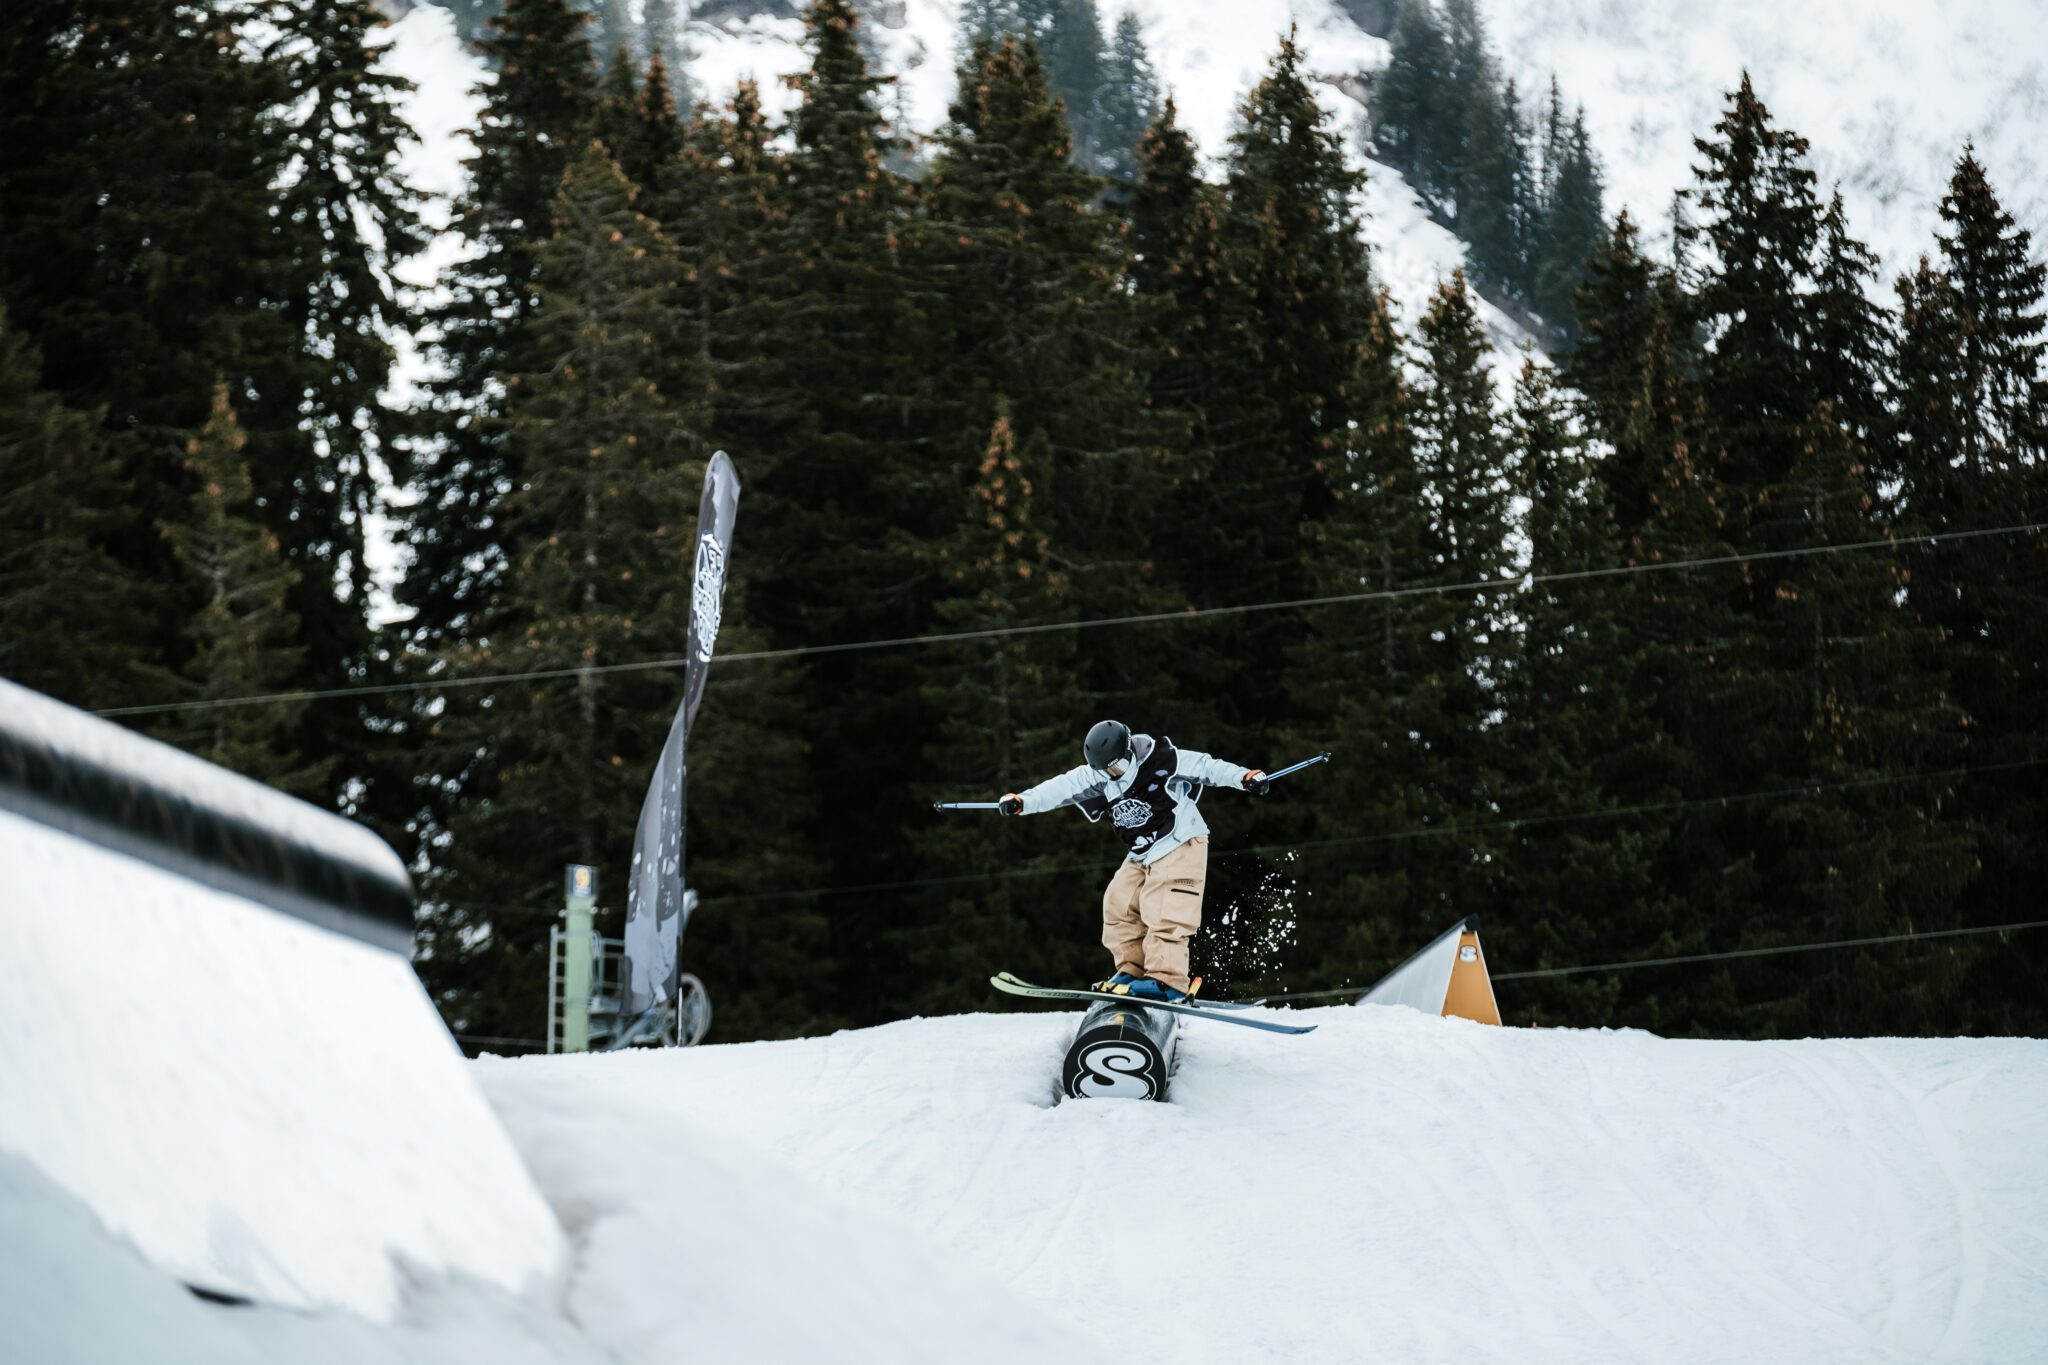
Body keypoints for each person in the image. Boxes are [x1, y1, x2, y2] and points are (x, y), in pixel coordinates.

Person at [999, 720, 1270, 1002]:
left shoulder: (1162, 759)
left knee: (1165, 908)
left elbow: (1206, 767)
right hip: (1142, 852)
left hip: (1180, 841)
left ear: (1129, 751)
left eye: (1116, 767)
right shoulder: (1100, 775)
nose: (1112, 775)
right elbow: (1060, 787)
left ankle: (1167, 979)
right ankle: (1133, 970)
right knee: (1119, 902)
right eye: (1105, 770)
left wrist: (1244, 777)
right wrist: (1022, 802)